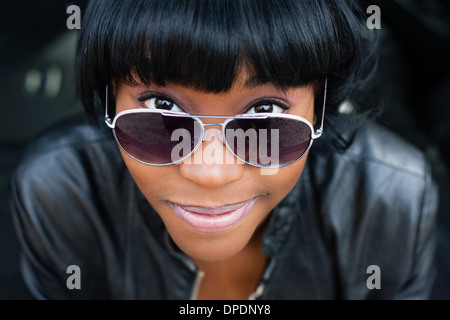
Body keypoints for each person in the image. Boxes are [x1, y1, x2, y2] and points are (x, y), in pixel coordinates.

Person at [9, 0, 438, 300]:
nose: (210, 172)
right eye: (163, 108)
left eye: (266, 111)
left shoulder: (392, 200)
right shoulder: (61, 192)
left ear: (319, 110)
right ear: (109, 101)